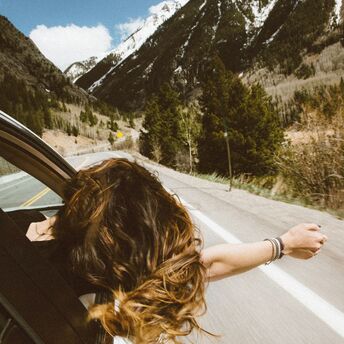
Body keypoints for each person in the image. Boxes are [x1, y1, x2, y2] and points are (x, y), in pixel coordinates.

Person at [25, 158, 327, 343]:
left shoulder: (23, 252)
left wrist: (283, 245)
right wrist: (283, 245)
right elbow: (205, 264)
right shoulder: (107, 282)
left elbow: (204, 264)